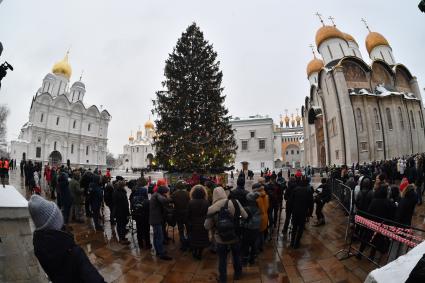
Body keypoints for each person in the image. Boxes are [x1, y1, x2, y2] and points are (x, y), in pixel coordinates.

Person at [28, 195, 105, 283]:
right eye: (58, 216)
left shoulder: (39, 246)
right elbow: (94, 279)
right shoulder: (72, 251)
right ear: (54, 223)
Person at [204, 187, 247, 283]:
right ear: (224, 193)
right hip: (235, 235)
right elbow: (245, 216)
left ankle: (223, 278)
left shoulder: (211, 208)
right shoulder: (235, 202)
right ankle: (238, 274)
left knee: (222, 259)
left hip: (220, 238)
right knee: (236, 255)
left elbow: (207, 226)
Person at [289, 175, 313, 249]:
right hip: (303, 212)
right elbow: (311, 203)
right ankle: (297, 243)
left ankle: (292, 242)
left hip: (295, 211)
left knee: (294, 227)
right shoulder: (308, 191)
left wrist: (291, 210)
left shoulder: (296, 189)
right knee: (301, 228)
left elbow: (291, 201)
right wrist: (310, 213)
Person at [149, 183, 172, 260]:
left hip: (154, 219)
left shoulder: (155, 194)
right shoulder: (157, 195)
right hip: (156, 219)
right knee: (159, 237)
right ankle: (161, 253)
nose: (166, 193)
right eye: (166, 192)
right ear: (163, 192)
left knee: (156, 236)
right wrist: (168, 197)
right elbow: (164, 200)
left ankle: (158, 251)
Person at [187, 185, 210, 260]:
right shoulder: (206, 202)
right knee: (202, 238)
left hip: (194, 223)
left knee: (194, 238)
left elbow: (188, 214)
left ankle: (195, 252)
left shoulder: (191, 202)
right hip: (203, 223)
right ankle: (200, 253)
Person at [241, 191, 261, 265]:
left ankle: (245, 260)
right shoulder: (258, 207)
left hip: (247, 229)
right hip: (256, 228)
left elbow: (242, 219)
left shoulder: (246, 208)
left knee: (246, 244)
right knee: (253, 244)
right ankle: (252, 259)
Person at [131, 178, 151, 249]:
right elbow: (149, 209)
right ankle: (148, 244)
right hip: (145, 217)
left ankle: (140, 245)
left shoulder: (134, 199)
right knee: (146, 231)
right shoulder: (146, 201)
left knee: (139, 230)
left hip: (138, 217)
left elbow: (132, 206)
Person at [171, 180, 190, 250]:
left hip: (178, 214)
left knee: (181, 229)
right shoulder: (188, 193)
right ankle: (189, 242)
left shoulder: (174, 194)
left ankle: (183, 244)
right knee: (188, 228)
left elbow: (170, 201)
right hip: (187, 214)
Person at [113, 180, 130, 245]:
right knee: (122, 225)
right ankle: (122, 239)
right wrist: (127, 213)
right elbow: (125, 204)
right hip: (122, 212)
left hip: (117, 211)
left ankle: (121, 238)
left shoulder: (115, 191)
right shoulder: (121, 193)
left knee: (119, 225)